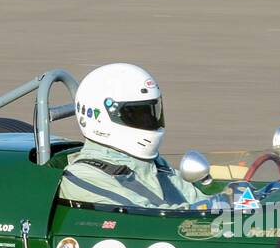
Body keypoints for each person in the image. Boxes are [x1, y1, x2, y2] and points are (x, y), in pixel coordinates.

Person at [60, 63, 220, 210]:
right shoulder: (83, 176)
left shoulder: (151, 164)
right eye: (136, 114)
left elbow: (199, 198)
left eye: (150, 112)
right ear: (99, 117)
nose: (147, 120)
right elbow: (147, 216)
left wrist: (230, 198)